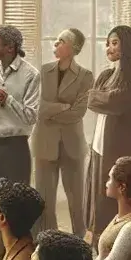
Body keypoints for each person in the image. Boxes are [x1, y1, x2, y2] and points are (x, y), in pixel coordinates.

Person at [85, 26, 131, 238]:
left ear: (127, 46)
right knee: (97, 193)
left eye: (115, 43)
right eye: (108, 43)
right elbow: (92, 101)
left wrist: (101, 97)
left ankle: (112, 241)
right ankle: (97, 240)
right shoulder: (106, 74)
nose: (109, 48)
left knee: (114, 195)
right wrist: (102, 98)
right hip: (98, 143)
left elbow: (117, 102)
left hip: (118, 143)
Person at [32, 28, 94, 233]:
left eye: (61, 41)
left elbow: (78, 112)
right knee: (44, 199)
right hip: (44, 143)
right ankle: (48, 240)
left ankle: (79, 243)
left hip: (72, 145)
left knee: (77, 200)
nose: (56, 44)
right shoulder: (43, 71)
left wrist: (50, 111)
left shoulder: (86, 76)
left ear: (73, 48)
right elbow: (36, 107)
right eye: (56, 39)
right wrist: (61, 107)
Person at [0, 24, 41, 186]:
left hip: (15, 150)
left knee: (13, 204)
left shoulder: (31, 75)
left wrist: (8, 100)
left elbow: (31, 117)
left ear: (10, 48)